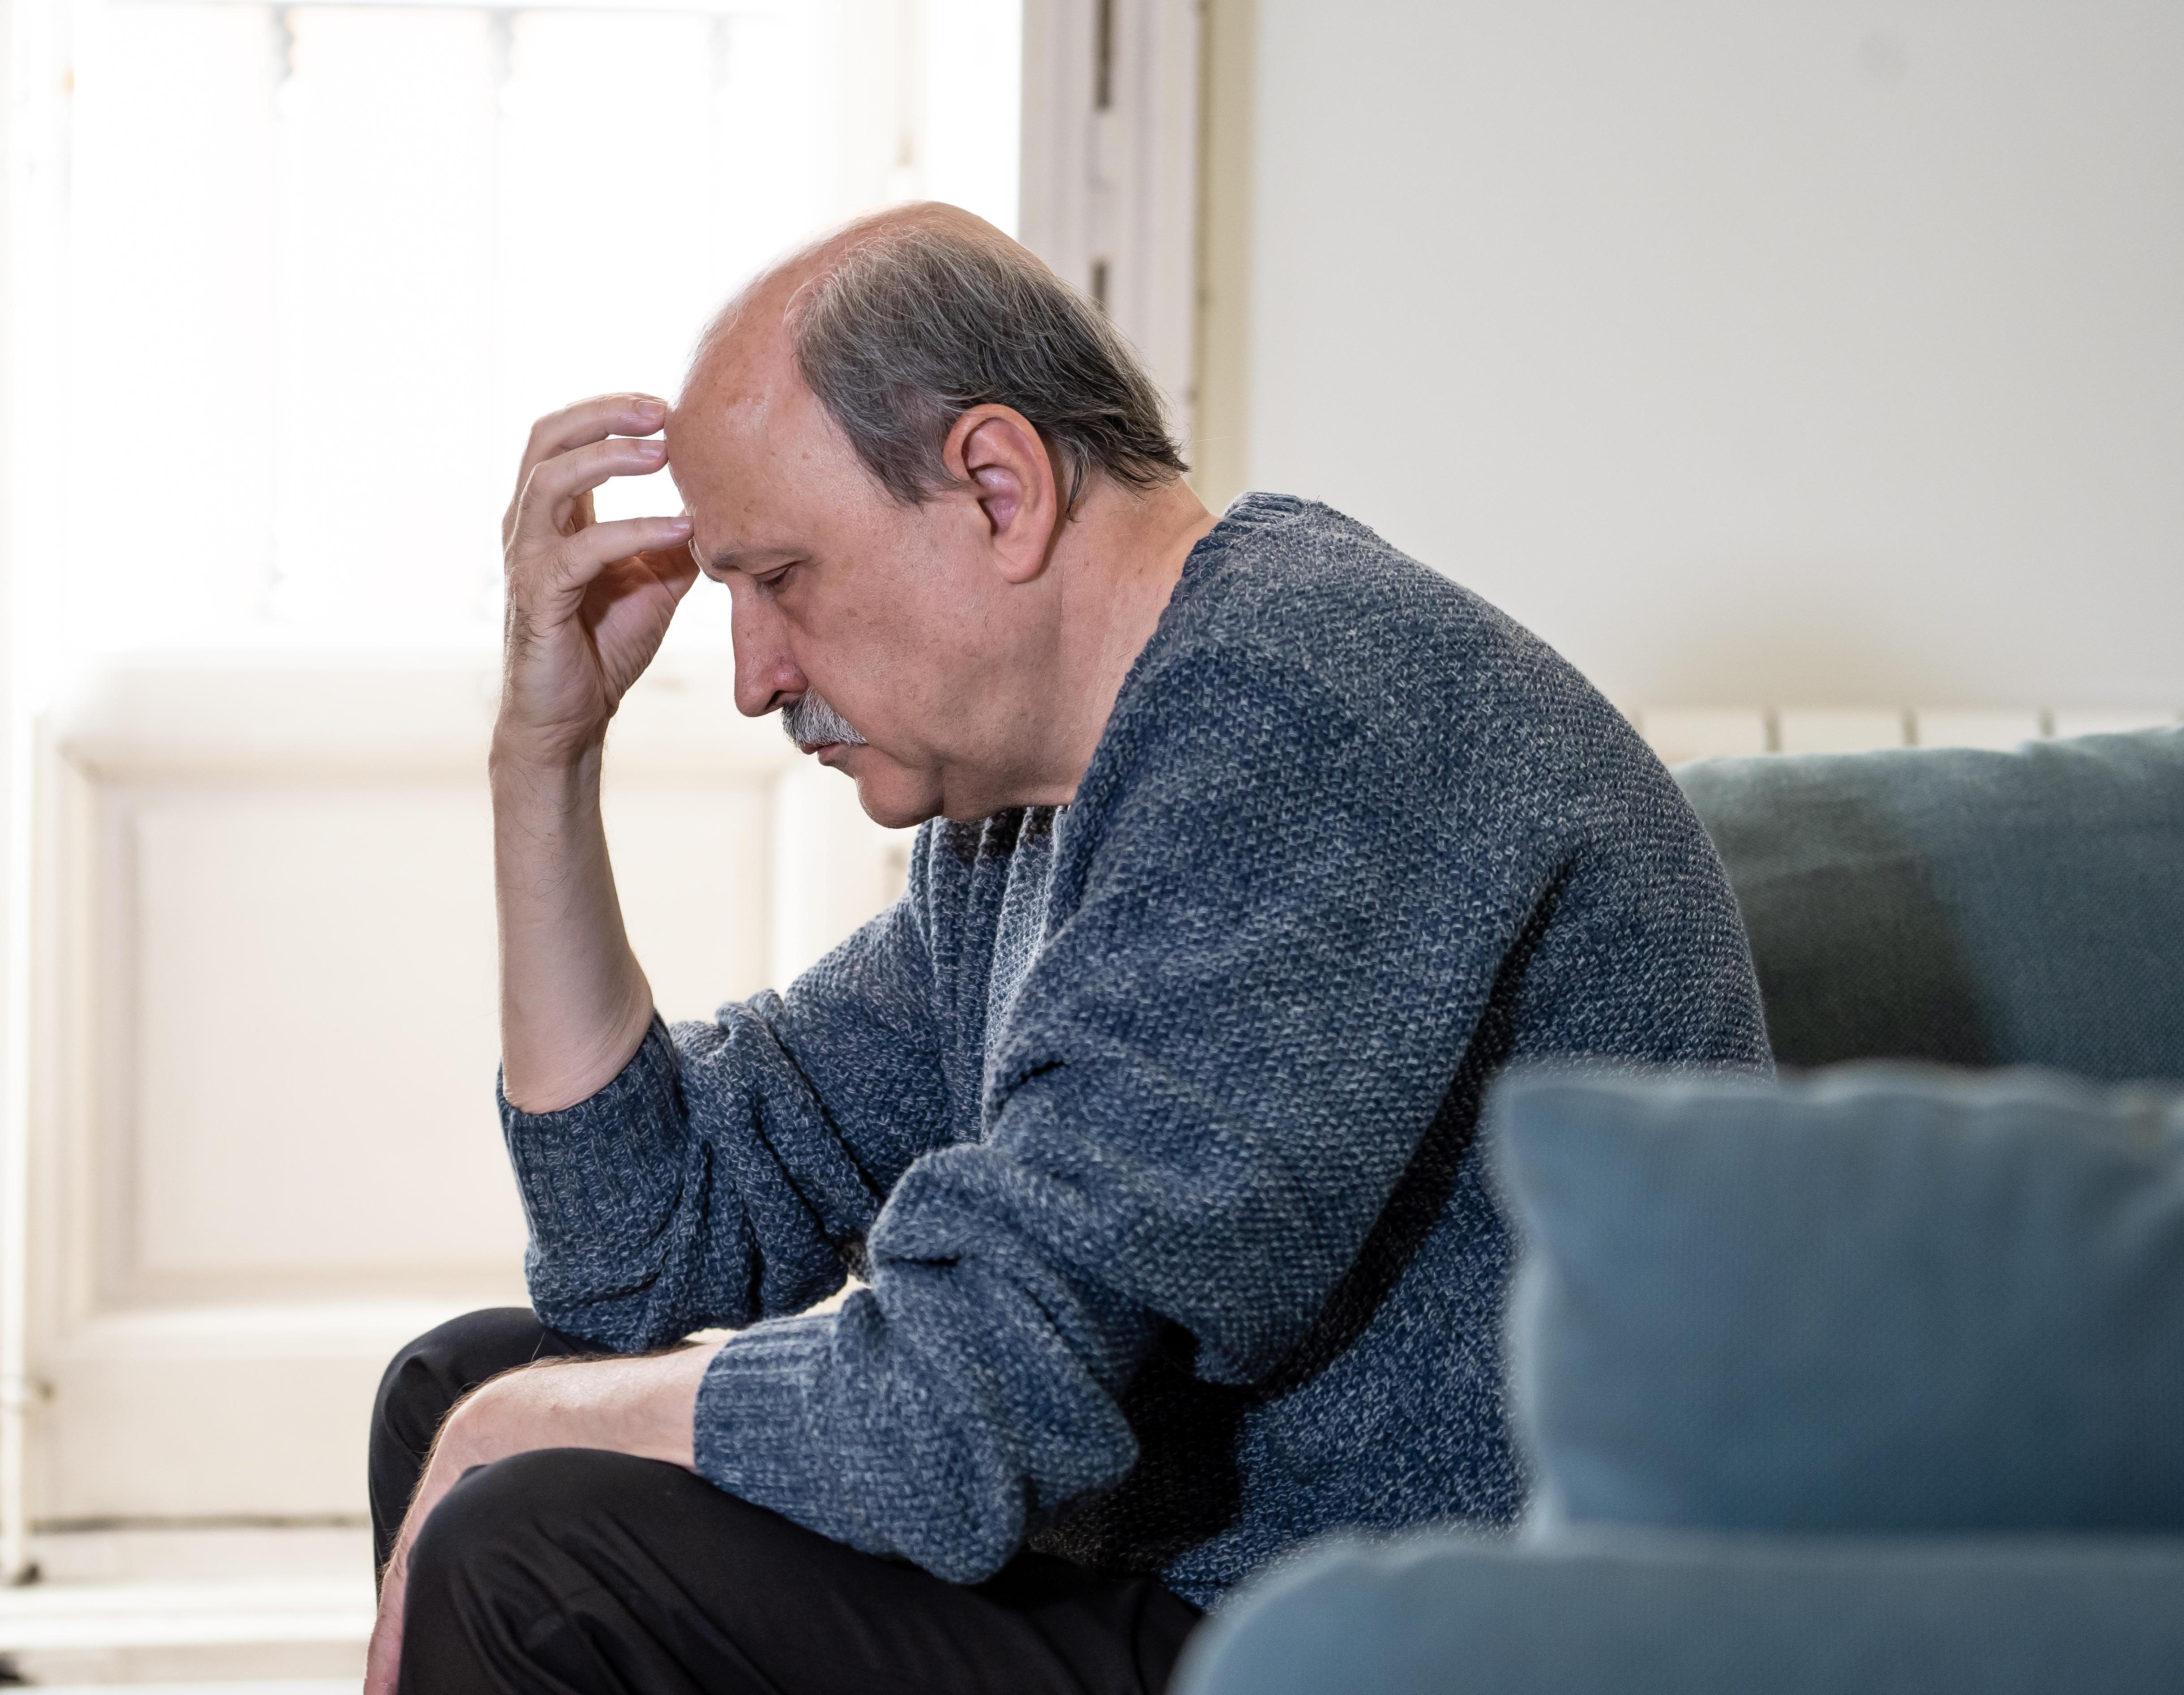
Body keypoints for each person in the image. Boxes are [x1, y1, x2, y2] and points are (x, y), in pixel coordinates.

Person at [363, 203, 1770, 1695]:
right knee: (460, 1389)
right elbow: (642, 1252)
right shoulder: (1023, 818)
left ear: (997, 486)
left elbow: (970, 1409)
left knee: (525, 1529)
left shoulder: (1305, 710)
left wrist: (530, 1430)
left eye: (780, 580)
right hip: (1185, 1571)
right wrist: (546, 755)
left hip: (1395, 1633)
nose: (752, 676)